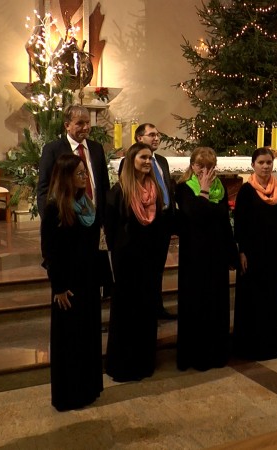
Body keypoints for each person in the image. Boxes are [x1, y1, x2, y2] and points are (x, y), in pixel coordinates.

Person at [40, 154, 103, 410]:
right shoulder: (55, 206)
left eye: (85, 173)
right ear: (65, 176)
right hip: (68, 285)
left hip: (88, 281)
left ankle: (88, 388)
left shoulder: (86, 203)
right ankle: (69, 394)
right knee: (70, 341)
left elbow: (94, 246)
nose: (84, 177)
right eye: (79, 174)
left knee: (88, 336)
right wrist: (59, 287)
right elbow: (50, 252)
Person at [36, 104, 112, 301]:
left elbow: (103, 185)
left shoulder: (95, 149)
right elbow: (44, 187)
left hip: (92, 220)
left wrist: (103, 217)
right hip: (66, 221)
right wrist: (52, 219)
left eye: (88, 123)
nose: (85, 127)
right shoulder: (53, 149)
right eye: (80, 123)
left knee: (91, 279)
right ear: (67, 125)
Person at [104, 143, 165, 381]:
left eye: (150, 158)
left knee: (147, 311)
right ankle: (123, 364)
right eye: (143, 157)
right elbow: (111, 230)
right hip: (127, 261)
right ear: (131, 160)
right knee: (126, 313)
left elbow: (159, 224)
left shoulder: (155, 189)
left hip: (149, 259)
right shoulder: (118, 192)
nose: (148, 161)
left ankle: (144, 362)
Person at [174, 147, 237, 370]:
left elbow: (223, 221)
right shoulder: (183, 188)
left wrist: (232, 254)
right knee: (197, 304)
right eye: (201, 166)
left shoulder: (220, 187)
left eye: (210, 166)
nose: (205, 171)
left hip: (217, 254)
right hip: (195, 256)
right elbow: (196, 216)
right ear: (192, 166)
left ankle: (216, 353)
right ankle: (197, 356)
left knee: (216, 304)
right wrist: (203, 191)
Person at [233, 148, 277, 360]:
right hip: (253, 253)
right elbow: (240, 224)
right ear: (253, 165)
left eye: (268, 162)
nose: (266, 166)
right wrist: (242, 251)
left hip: (273, 251)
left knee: (273, 298)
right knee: (253, 299)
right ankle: (251, 347)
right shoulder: (247, 191)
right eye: (261, 162)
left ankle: (271, 345)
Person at [135, 123, 177, 320]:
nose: (156, 138)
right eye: (151, 135)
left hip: (164, 221)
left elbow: (168, 187)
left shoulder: (161, 160)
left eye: (158, 135)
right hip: (147, 222)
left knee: (158, 267)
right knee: (146, 268)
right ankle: (146, 308)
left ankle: (157, 306)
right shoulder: (134, 163)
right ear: (139, 138)